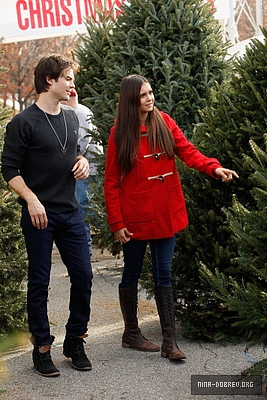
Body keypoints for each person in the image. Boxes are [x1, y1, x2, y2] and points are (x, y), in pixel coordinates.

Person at [104, 74, 239, 361]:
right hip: (136, 218)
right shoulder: (119, 134)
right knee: (132, 272)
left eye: (151, 92)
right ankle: (131, 333)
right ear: (131, 99)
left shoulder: (163, 121)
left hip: (166, 213)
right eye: (143, 95)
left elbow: (187, 151)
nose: (149, 98)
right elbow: (111, 181)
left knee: (164, 273)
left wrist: (213, 168)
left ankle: (169, 342)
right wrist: (116, 222)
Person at [1, 54, 93, 377]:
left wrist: (81, 162)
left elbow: (72, 152)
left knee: (84, 275)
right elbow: (9, 169)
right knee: (40, 281)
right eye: (67, 78)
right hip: (39, 215)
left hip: (70, 213)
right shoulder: (23, 123)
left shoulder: (71, 118)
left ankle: (75, 340)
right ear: (49, 81)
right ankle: (42, 348)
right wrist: (31, 200)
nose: (72, 84)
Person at [61, 88, 102, 257]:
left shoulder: (80, 113)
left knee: (84, 210)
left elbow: (81, 143)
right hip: (80, 169)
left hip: (88, 169)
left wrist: (67, 160)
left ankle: (86, 251)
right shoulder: (70, 112)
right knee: (84, 209)